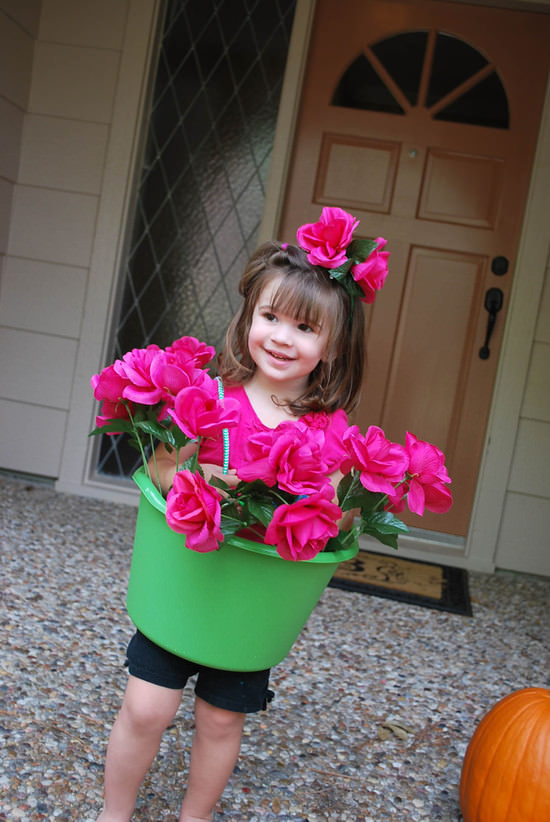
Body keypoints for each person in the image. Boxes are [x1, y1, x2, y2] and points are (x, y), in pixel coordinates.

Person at [96, 208, 387, 822]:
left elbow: (330, 515)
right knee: (146, 707)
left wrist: (323, 502)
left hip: (248, 606)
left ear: (334, 347)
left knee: (222, 719)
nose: (282, 337)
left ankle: (194, 818)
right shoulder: (212, 397)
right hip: (185, 586)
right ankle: (113, 814)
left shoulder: (326, 433)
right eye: (270, 316)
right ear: (249, 317)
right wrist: (202, 481)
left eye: (306, 328)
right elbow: (161, 473)